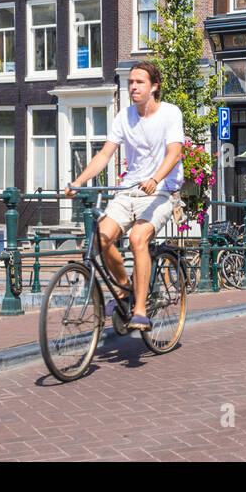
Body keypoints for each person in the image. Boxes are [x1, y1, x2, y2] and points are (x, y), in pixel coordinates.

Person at [66, 61, 183, 330]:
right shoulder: (124, 117)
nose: (133, 87)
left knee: (137, 238)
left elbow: (174, 153)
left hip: (161, 191)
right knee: (100, 238)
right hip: (129, 189)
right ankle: (123, 290)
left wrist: (156, 178)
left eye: (139, 82)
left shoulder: (170, 113)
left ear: (154, 87)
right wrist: (79, 182)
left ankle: (140, 310)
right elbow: (105, 154)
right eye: (131, 82)